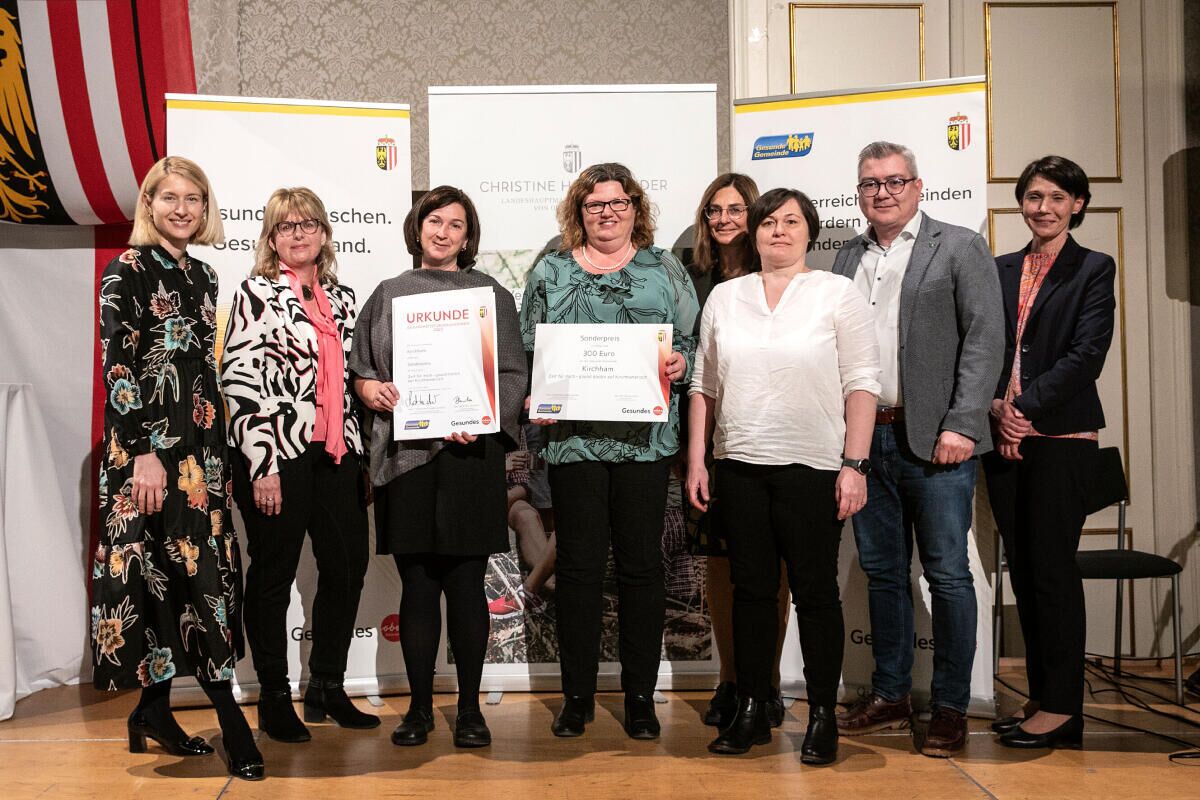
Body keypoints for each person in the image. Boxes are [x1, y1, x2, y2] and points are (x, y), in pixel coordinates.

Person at [687, 188, 879, 761]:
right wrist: (697, 459)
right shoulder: (726, 296)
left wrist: (855, 465)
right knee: (751, 593)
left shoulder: (837, 293)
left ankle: (822, 717)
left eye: (791, 222)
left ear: (809, 231)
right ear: (754, 232)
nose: (778, 231)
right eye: (768, 221)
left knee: (815, 595)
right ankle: (751, 708)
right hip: (739, 465)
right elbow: (704, 385)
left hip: (813, 467)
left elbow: (862, 383)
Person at [94, 156, 263, 780]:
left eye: (194, 198)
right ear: (149, 204)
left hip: (201, 453)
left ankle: (154, 711)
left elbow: (201, 371)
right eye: (170, 197)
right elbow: (119, 369)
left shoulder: (205, 276)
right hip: (148, 452)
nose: (183, 209)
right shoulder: (126, 271)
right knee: (164, 575)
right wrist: (144, 453)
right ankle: (231, 720)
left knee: (188, 575)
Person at [832, 141, 1003, 757]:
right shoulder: (846, 256)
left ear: (918, 186)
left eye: (894, 181)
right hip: (865, 438)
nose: (882, 192)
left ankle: (951, 707)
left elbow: (985, 338)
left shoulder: (958, 246)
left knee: (948, 575)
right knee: (881, 573)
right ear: (859, 193)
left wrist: (963, 424)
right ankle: (891, 694)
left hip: (938, 441)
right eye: (870, 183)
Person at [518, 162, 699, 740]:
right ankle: (577, 697)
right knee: (578, 567)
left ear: (635, 208)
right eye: (594, 204)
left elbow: (693, 340)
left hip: (645, 444)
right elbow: (528, 346)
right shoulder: (550, 270)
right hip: (574, 442)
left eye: (618, 202)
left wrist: (681, 362)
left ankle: (640, 697)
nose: (607, 212)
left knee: (642, 567)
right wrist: (536, 392)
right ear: (579, 211)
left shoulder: (663, 267)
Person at [349, 186, 526, 748]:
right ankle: (419, 709)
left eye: (455, 224)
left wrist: (483, 417)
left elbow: (513, 374)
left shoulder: (492, 295)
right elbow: (361, 369)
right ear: (418, 227)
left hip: (471, 456)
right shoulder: (389, 293)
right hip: (409, 460)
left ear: (468, 237)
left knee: (468, 584)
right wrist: (371, 390)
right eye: (434, 221)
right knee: (419, 586)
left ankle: (470, 710)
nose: (443, 232)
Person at [221, 187, 376, 743]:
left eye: (308, 223)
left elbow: (355, 381)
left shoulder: (345, 297)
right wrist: (261, 462)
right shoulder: (254, 293)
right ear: (271, 238)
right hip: (278, 455)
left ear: (325, 233)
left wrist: (363, 456)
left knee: (348, 566)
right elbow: (240, 380)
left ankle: (327, 687)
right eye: (286, 226)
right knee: (273, 574)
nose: (299, 233)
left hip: (337, 454)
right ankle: (272, 696)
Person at [983, 156, 1114, 750]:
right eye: (1034, 196)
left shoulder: (1093, 268)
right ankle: (1043, 697)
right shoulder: (1000, 268)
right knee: (1026, 571)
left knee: (1054, 571)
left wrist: (1023, 408)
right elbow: (983, 345)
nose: (1044, 207)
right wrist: (996, 407)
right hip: (1003, 437)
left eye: (1058, 197)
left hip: (1061, 439)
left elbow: (1087, 354)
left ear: (1077, 205)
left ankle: (1063, 707)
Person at [685, 173, 789, 730]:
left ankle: (766, 682)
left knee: (772, 568)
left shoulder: (777, 275)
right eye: (714, 210)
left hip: (772, 438)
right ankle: (730, 679)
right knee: (720, 565)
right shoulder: (691, 278)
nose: (723, 219)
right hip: (707, 441)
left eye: (735, 209)